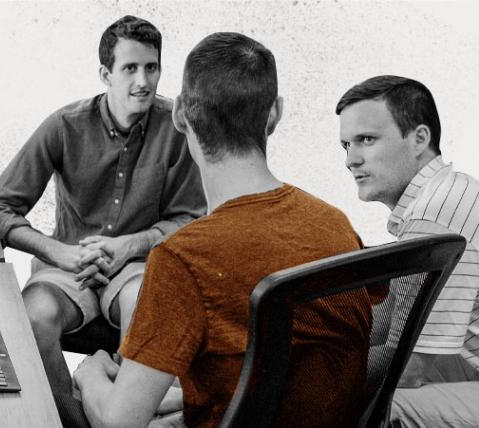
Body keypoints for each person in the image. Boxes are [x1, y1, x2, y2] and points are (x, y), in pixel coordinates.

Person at [75, 32, 375, 428]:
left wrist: (89, 373)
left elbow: (120, 423)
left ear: (180, 114)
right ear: (275, 114)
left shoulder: (184, 258)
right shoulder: (335, 224)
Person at [0, 15, 206, 427]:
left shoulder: (177, 128)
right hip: (68, 266)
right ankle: (74, 420)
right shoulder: (64, 126)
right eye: (130, 68)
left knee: (148, 309)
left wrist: (130, 245)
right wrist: (57, 251)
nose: (143, 81)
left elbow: (190, 220)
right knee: (32, 319)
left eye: (151, 67)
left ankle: (124, 416)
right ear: (105, 74)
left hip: (137, 266)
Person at [336, 75, 479, 427]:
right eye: (346, 145)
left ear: (419, 139)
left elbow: (410, 367)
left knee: (380, 406)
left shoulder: (435, 214)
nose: (351, 160)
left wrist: (313, 380)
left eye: (367, 140)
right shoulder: (448, 193)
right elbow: (391, 326)